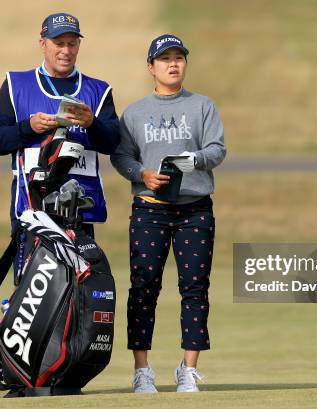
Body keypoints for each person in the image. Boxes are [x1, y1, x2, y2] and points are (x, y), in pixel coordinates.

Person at [110, 34, 226, 393]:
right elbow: (121, 156)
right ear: (151, 67)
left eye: (178, 58)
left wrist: (195, 160)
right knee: (144, 287)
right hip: (149, 209)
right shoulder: (135, 112)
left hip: (195, 209)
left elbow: (217, 149)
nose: (173, 64)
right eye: (165, 59)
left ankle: (188, 370)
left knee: (194, 288)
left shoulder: (202, 106)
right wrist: (141, 174)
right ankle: (142, 370)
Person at [0, 12, 120, 280]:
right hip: (31, 209)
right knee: (32, 297)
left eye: (72, 43)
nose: (65, 51)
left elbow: (112, 143)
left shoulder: (98, 90)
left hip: (79, 211)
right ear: (43, 44)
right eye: (59, 43)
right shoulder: (16, 84)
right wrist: (29, 127)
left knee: (79, 293)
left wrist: (92, 122)